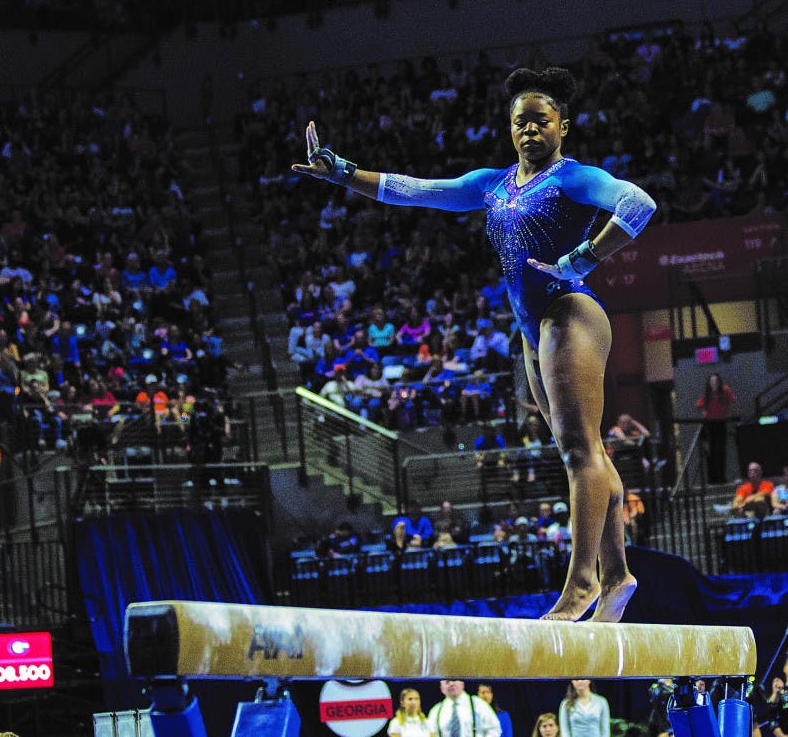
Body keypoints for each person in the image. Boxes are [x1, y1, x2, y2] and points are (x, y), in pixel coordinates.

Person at [292, 65, 656, 622]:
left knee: (582, 451)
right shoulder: (492, 183)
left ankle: (580, 584)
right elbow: (416, 191)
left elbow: (637, 205)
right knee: (582, 452)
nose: (530, 131)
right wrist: (343, 173)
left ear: (564, 125)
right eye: (520, 123)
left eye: (541, 120)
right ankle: (616, 574)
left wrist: (582, 258)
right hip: (533, 331)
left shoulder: (574, 178)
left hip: (571, 314)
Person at [696, 373, 735, 486]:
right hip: (710, 424)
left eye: (716, 381)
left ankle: (722, 477)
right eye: (712, 382)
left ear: (719, 382)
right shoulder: (707, 395)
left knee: (721, 450)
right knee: (711, 452)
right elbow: (698, 405)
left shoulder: (725, 391)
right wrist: (703, 412)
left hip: (721, 423)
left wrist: (727, 413)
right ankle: (712, 479)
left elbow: (732, 402)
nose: (714, 384)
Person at [427, 680, 501, 737]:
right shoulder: (436, 711)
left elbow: (494, 729)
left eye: (454, 680)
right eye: (447, 682)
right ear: (441, 688)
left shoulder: (479, 705)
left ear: (462, 683)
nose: (451, 684)